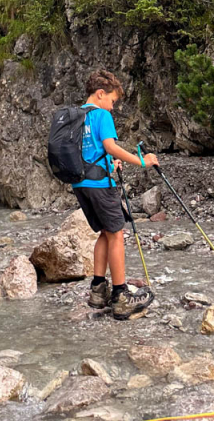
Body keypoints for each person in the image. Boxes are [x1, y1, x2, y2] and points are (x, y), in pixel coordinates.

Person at [72, 71, 158, 320]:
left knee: (105, 233)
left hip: (81, 185)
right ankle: (121, 297)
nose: (113, 106)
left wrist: (109, 163)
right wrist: (142, 161)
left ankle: (98, 291)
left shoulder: (76, 116)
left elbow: (90, 151)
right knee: (117, 234)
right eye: (112, 100)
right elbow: (110, 146)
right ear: (100, 94)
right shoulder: (102, 114)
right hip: (100, 185)